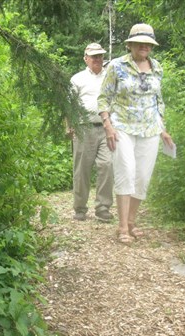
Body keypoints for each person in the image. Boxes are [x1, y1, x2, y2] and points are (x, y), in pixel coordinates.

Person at [97, 24, 175, 242]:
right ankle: (122, 227)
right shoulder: (116, 66)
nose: (144, 46)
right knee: (127, 171)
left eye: (148, 43)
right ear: (130, 44)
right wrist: (108, 125)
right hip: (122, 127)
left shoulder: (157, 67)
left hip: (149, 129)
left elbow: (157, 101)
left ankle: (132, 222)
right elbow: (103, 97)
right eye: (140, 42)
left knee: (142, 177)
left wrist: (163, 130)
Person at [67, 43, 114, 222]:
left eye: (100, 56)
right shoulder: (77, 79)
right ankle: (80, 209)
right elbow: (69, 104)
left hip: (106, 127)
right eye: (94, 56)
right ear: (85, 58)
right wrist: (69, 126)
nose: (98, 59)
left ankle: (103, 208)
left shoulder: (110, 77)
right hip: (83, 128)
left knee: (107, 165)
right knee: (81, 170)